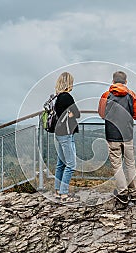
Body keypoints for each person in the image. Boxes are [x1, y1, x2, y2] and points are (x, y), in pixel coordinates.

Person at [98, 71, 136, 205]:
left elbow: (101, 114)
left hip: (112, 135)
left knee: (117, 165)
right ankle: (134, 193)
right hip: (127, 135)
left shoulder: (106, 95)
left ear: (113, 81)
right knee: (130, 163)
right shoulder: (132, 95)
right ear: (126, 82)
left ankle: (122, 193)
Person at [53, 72, 80, 203]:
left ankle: (57, 190)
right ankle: (64, 193)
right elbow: (77, 113)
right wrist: (71, 114)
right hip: (66, 134)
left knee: (61, 164)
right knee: (71, 164)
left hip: (59, 133)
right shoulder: (67, 97)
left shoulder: (57, 97)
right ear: (68, 83)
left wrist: (70, 114)